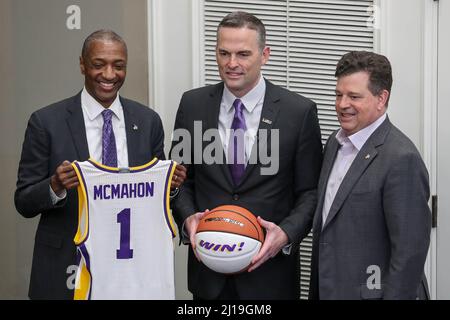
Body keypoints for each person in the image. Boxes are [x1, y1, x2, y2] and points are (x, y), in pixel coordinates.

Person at [14, 29, 186, 299]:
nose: (109, 75)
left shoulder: (148, 121)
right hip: (66, 266)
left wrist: (171, 187)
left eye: (118, 66)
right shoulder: (46, 122)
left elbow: (156, 198)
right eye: (98, 64)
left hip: (131, 268)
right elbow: (23, 202)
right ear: (82, 64)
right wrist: (55, 185)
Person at [170, 11, 323, 299]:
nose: (231, 64)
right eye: (223, 53)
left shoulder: (298, 113)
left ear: (264, 55)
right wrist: (188, 218)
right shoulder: (192, 105)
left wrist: (286, 234)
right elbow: (178, 182)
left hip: (271, 278)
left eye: (243, 54)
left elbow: (311, 192)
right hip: (208, 279)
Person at [309, 51, 431, 300]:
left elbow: (409, 255)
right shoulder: (335, 141)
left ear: (381, 98)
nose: (342, 104)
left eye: (354, 96)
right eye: (338, 94)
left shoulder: (401, 158)